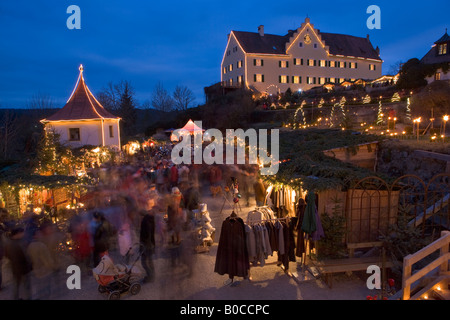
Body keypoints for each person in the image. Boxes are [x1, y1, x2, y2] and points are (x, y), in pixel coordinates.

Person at [27, 228, 55, 299]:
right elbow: (46, 258)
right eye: (38, 234)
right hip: (45, 270)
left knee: (39, 287)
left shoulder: (30, 246)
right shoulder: (41, 245)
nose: (40, 235)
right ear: (35, 236)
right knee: (46, 288)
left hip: (36, 270)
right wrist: (51, 266)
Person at [5, 227, 32, 300]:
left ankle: (15, 298)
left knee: (16, 286)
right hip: (23, 269)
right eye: (22, 233)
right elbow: (24, 256)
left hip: (15, 268)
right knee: (26, 286)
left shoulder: (8, 243)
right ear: (18, 233)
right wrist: (29, 265)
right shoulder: (19, 244)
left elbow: (7, 255)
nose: (23, 234)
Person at [139, 209, 155, 283]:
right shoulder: (151, 220)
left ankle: (150, 276)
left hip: (146, 245)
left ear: (142, 216)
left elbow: (147, 235)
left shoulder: (145, 222)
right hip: (150, 244)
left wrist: (143, 245)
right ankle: (152, 275)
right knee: (150, 261)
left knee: (144, 262)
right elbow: (152, 234)